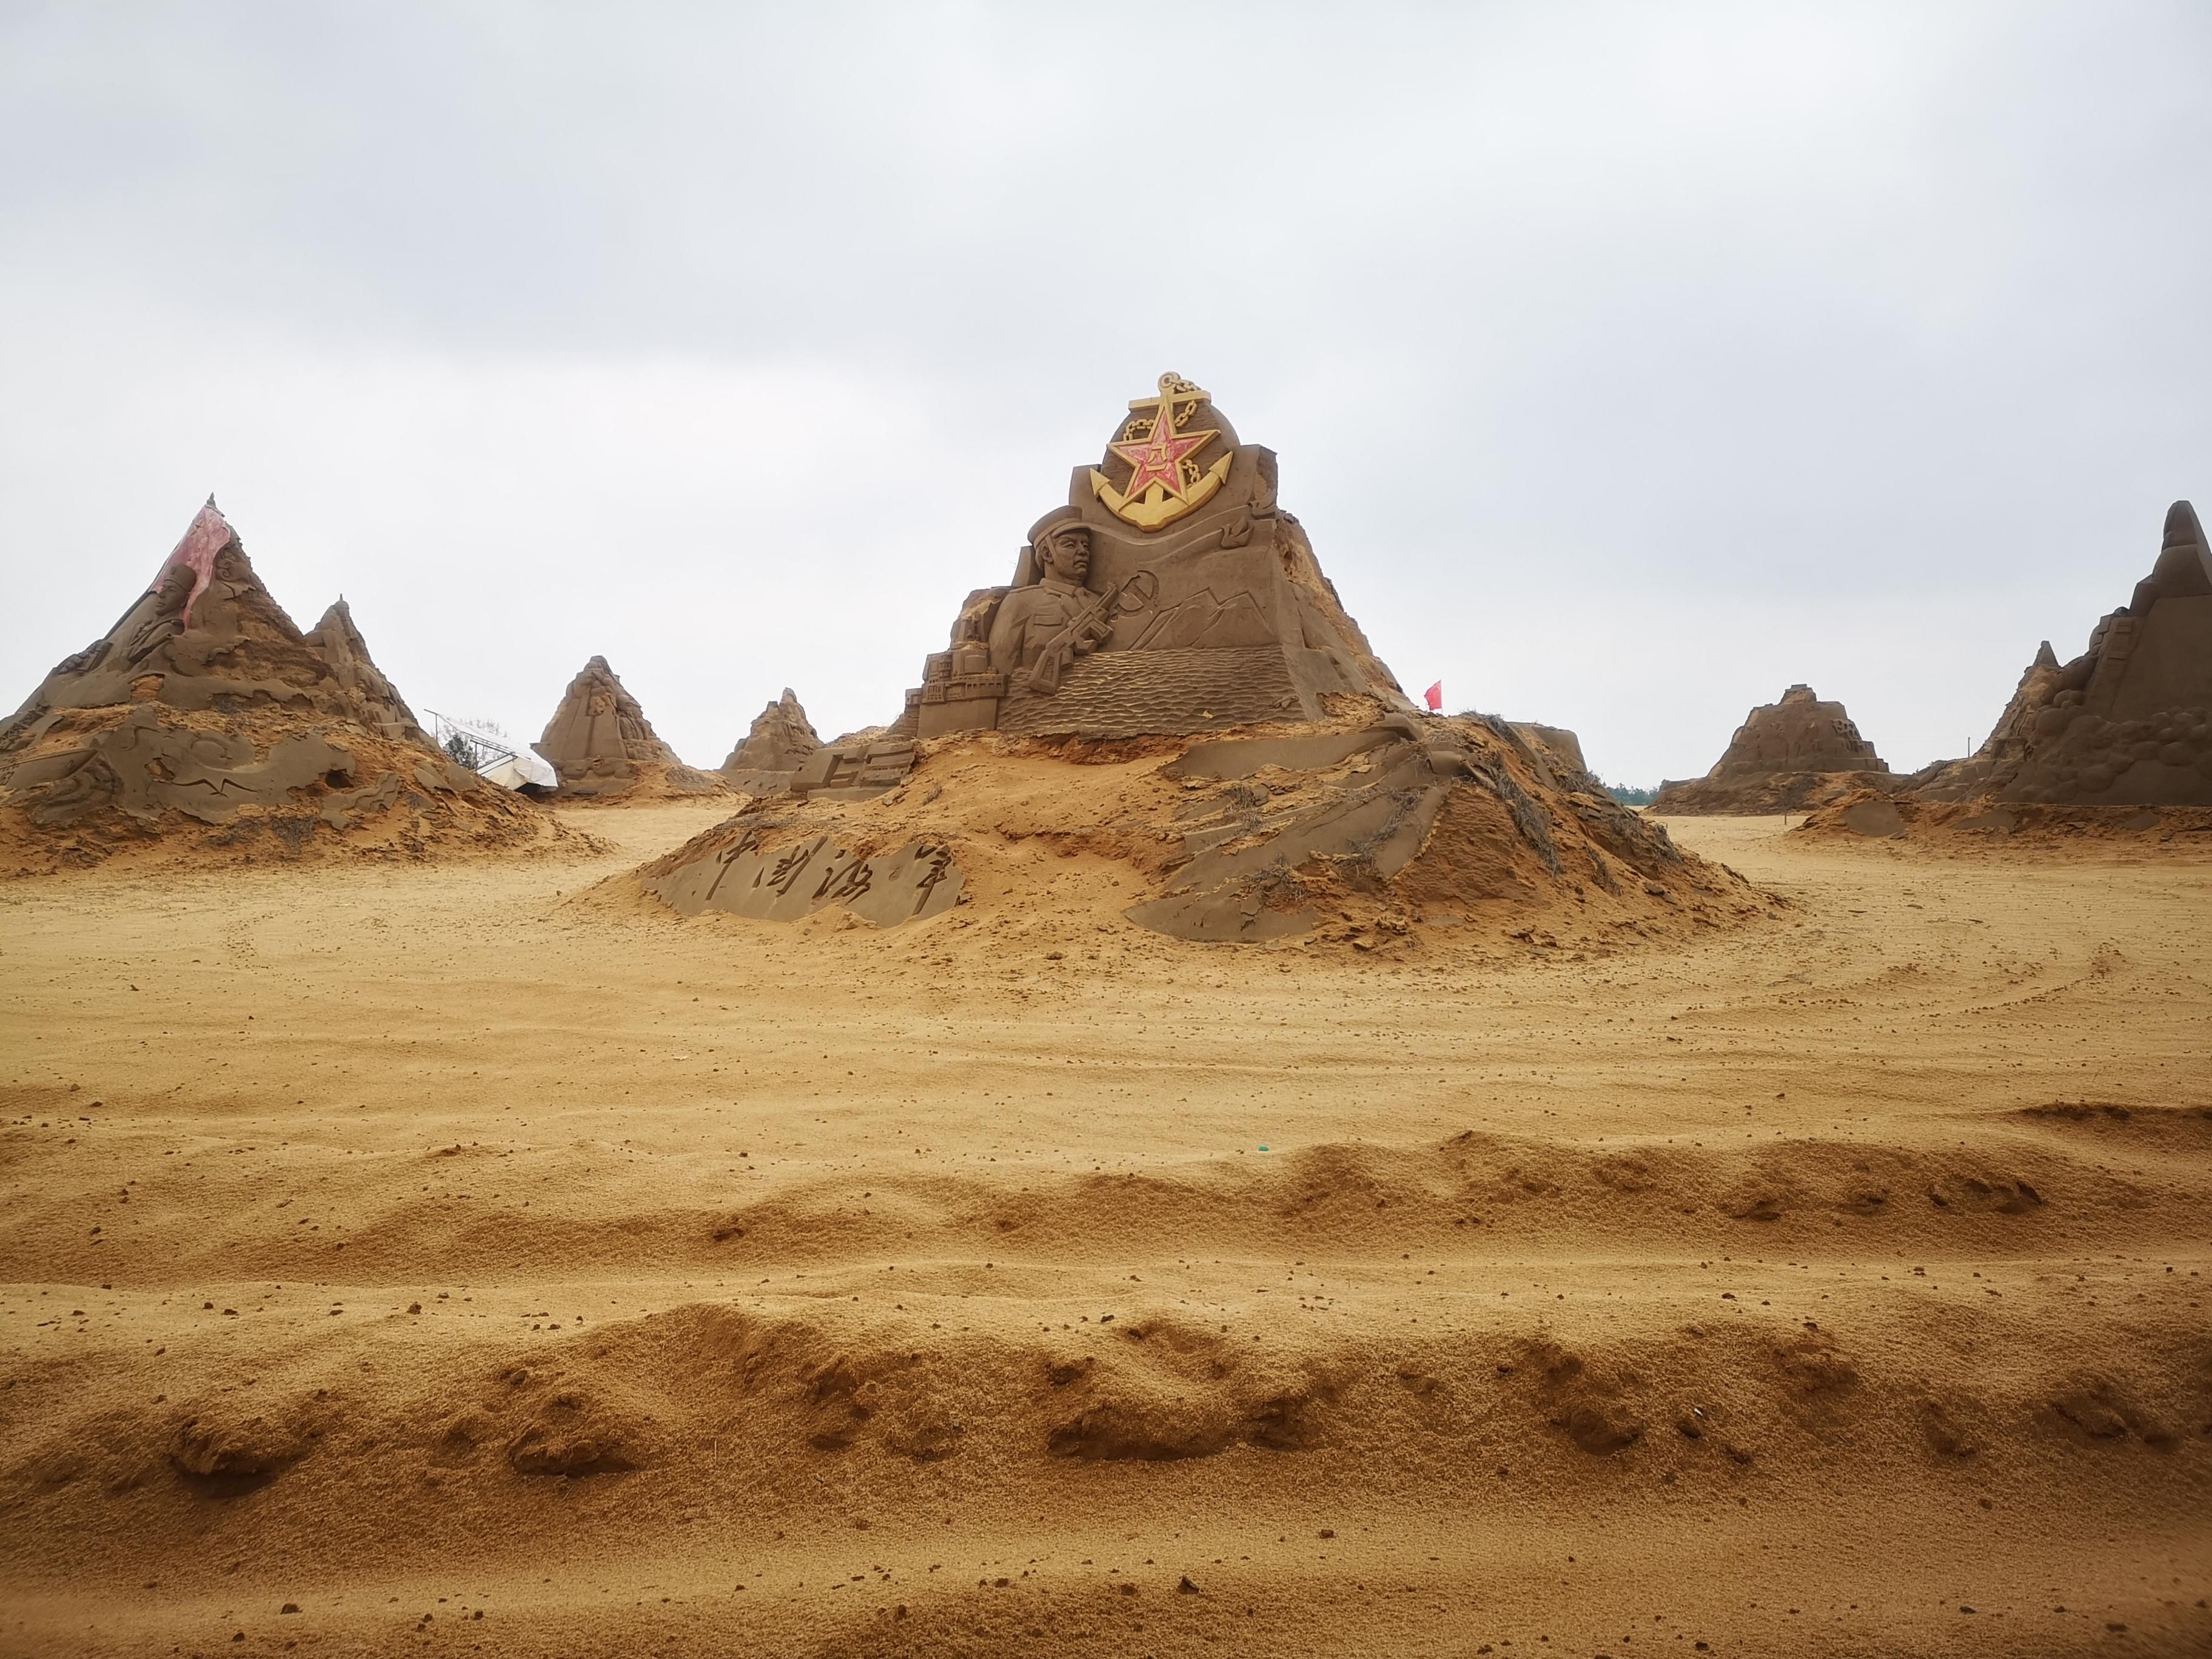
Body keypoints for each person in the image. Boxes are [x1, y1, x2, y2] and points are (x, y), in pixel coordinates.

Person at [987, 515, 1116, 688]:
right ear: (1048, 554)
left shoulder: (1097, 601)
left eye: (1085, 545)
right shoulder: (1021, 602)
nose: (1083, 551)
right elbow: (1002, 665)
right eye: (1070, 545)